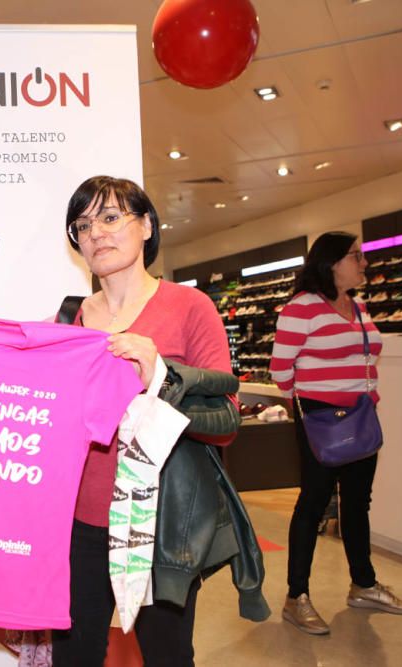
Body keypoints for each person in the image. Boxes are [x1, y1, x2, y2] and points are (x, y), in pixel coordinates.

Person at [51, 176, 234, 666]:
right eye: (83, 225)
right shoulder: (70, 318)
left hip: (160, 524)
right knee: (73, 657)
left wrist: (161, 375)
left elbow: (226, 420)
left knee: (168, 657)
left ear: (147, 225)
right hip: (80, 521)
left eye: (111, 218)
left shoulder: (190, 307)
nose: (97, 234)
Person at [270, 231, 402, 636]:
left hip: (361, 416)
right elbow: (281, 373)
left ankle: (363, 584)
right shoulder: (301, 309)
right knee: (313, 504)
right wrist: (321, 395)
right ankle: (296, 597)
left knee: (357, 504)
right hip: (320, 419)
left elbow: (367, 360)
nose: (364, 263)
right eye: (356, 256)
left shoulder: (359, 307)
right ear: (332, 262)